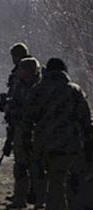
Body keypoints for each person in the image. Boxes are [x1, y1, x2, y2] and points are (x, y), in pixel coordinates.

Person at [25, 58, 93, 210]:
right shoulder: (74, 90)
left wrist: (27, 140)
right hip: (70, 144)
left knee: (53, 179)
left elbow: (28, 116)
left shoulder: (39, 89)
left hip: (44, 143)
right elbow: (85, 118)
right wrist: (88, 139)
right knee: (63, 180)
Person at [6, 57, 45, 209]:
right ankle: (20, 198)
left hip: (35, 132)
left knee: (37, 167)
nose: (19, 72)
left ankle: (39, 200)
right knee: (20, 166)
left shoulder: (41, 88)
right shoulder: (20, 86)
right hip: (21, 130)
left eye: (22, 69)